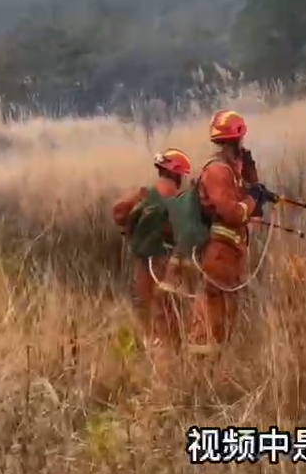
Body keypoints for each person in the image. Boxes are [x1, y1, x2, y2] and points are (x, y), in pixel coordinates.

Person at [187, 109, 271, 354]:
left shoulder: (231, 170)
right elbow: (234, 213)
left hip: (231, 256)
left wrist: (253, 183)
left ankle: (216, 365)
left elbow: (247, 204)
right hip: (220, 255)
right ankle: (200, 368)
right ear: (237, 138)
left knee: (225, 321)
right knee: (211, 321)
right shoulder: (218, 171)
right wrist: (253, 198)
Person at [112, 148, 192, 348]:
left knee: (145, 308)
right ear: (177, 174)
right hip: (167, 264)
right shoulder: (180, 199)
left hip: (142, 262)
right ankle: (167, 352)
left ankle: (149, 347)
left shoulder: (143, 194)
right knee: (168, 313)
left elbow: (118, 212)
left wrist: (129, 232)